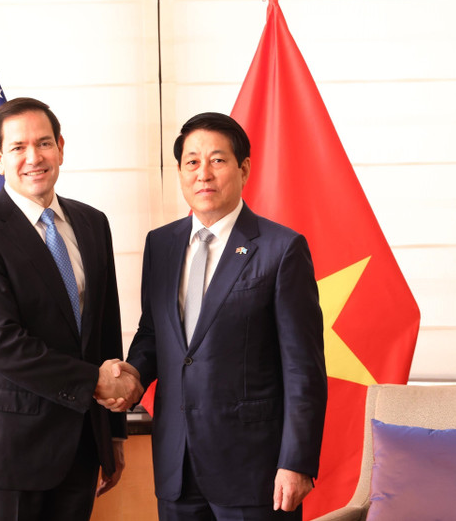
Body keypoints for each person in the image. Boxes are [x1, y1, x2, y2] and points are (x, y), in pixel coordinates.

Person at [109, 112, 327, 520]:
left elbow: (303, 369)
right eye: (191, 162)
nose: (203, 173)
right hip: (177, 463)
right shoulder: (162, 244)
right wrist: (133, 375)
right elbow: (156, 332)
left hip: (255, 469)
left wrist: (297, 461)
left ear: (243, 168)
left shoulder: (281, 249)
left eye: (217, 160)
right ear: (179, 172)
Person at [0, 97, 143, 521]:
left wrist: (114, 434)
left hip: (80, 448)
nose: (33, 157)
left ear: (61, 148)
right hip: (4, 453)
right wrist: (95, 383)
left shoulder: (92, 224)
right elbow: (2, 346)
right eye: (18, 147)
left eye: (44, 143)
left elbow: (104, 330)